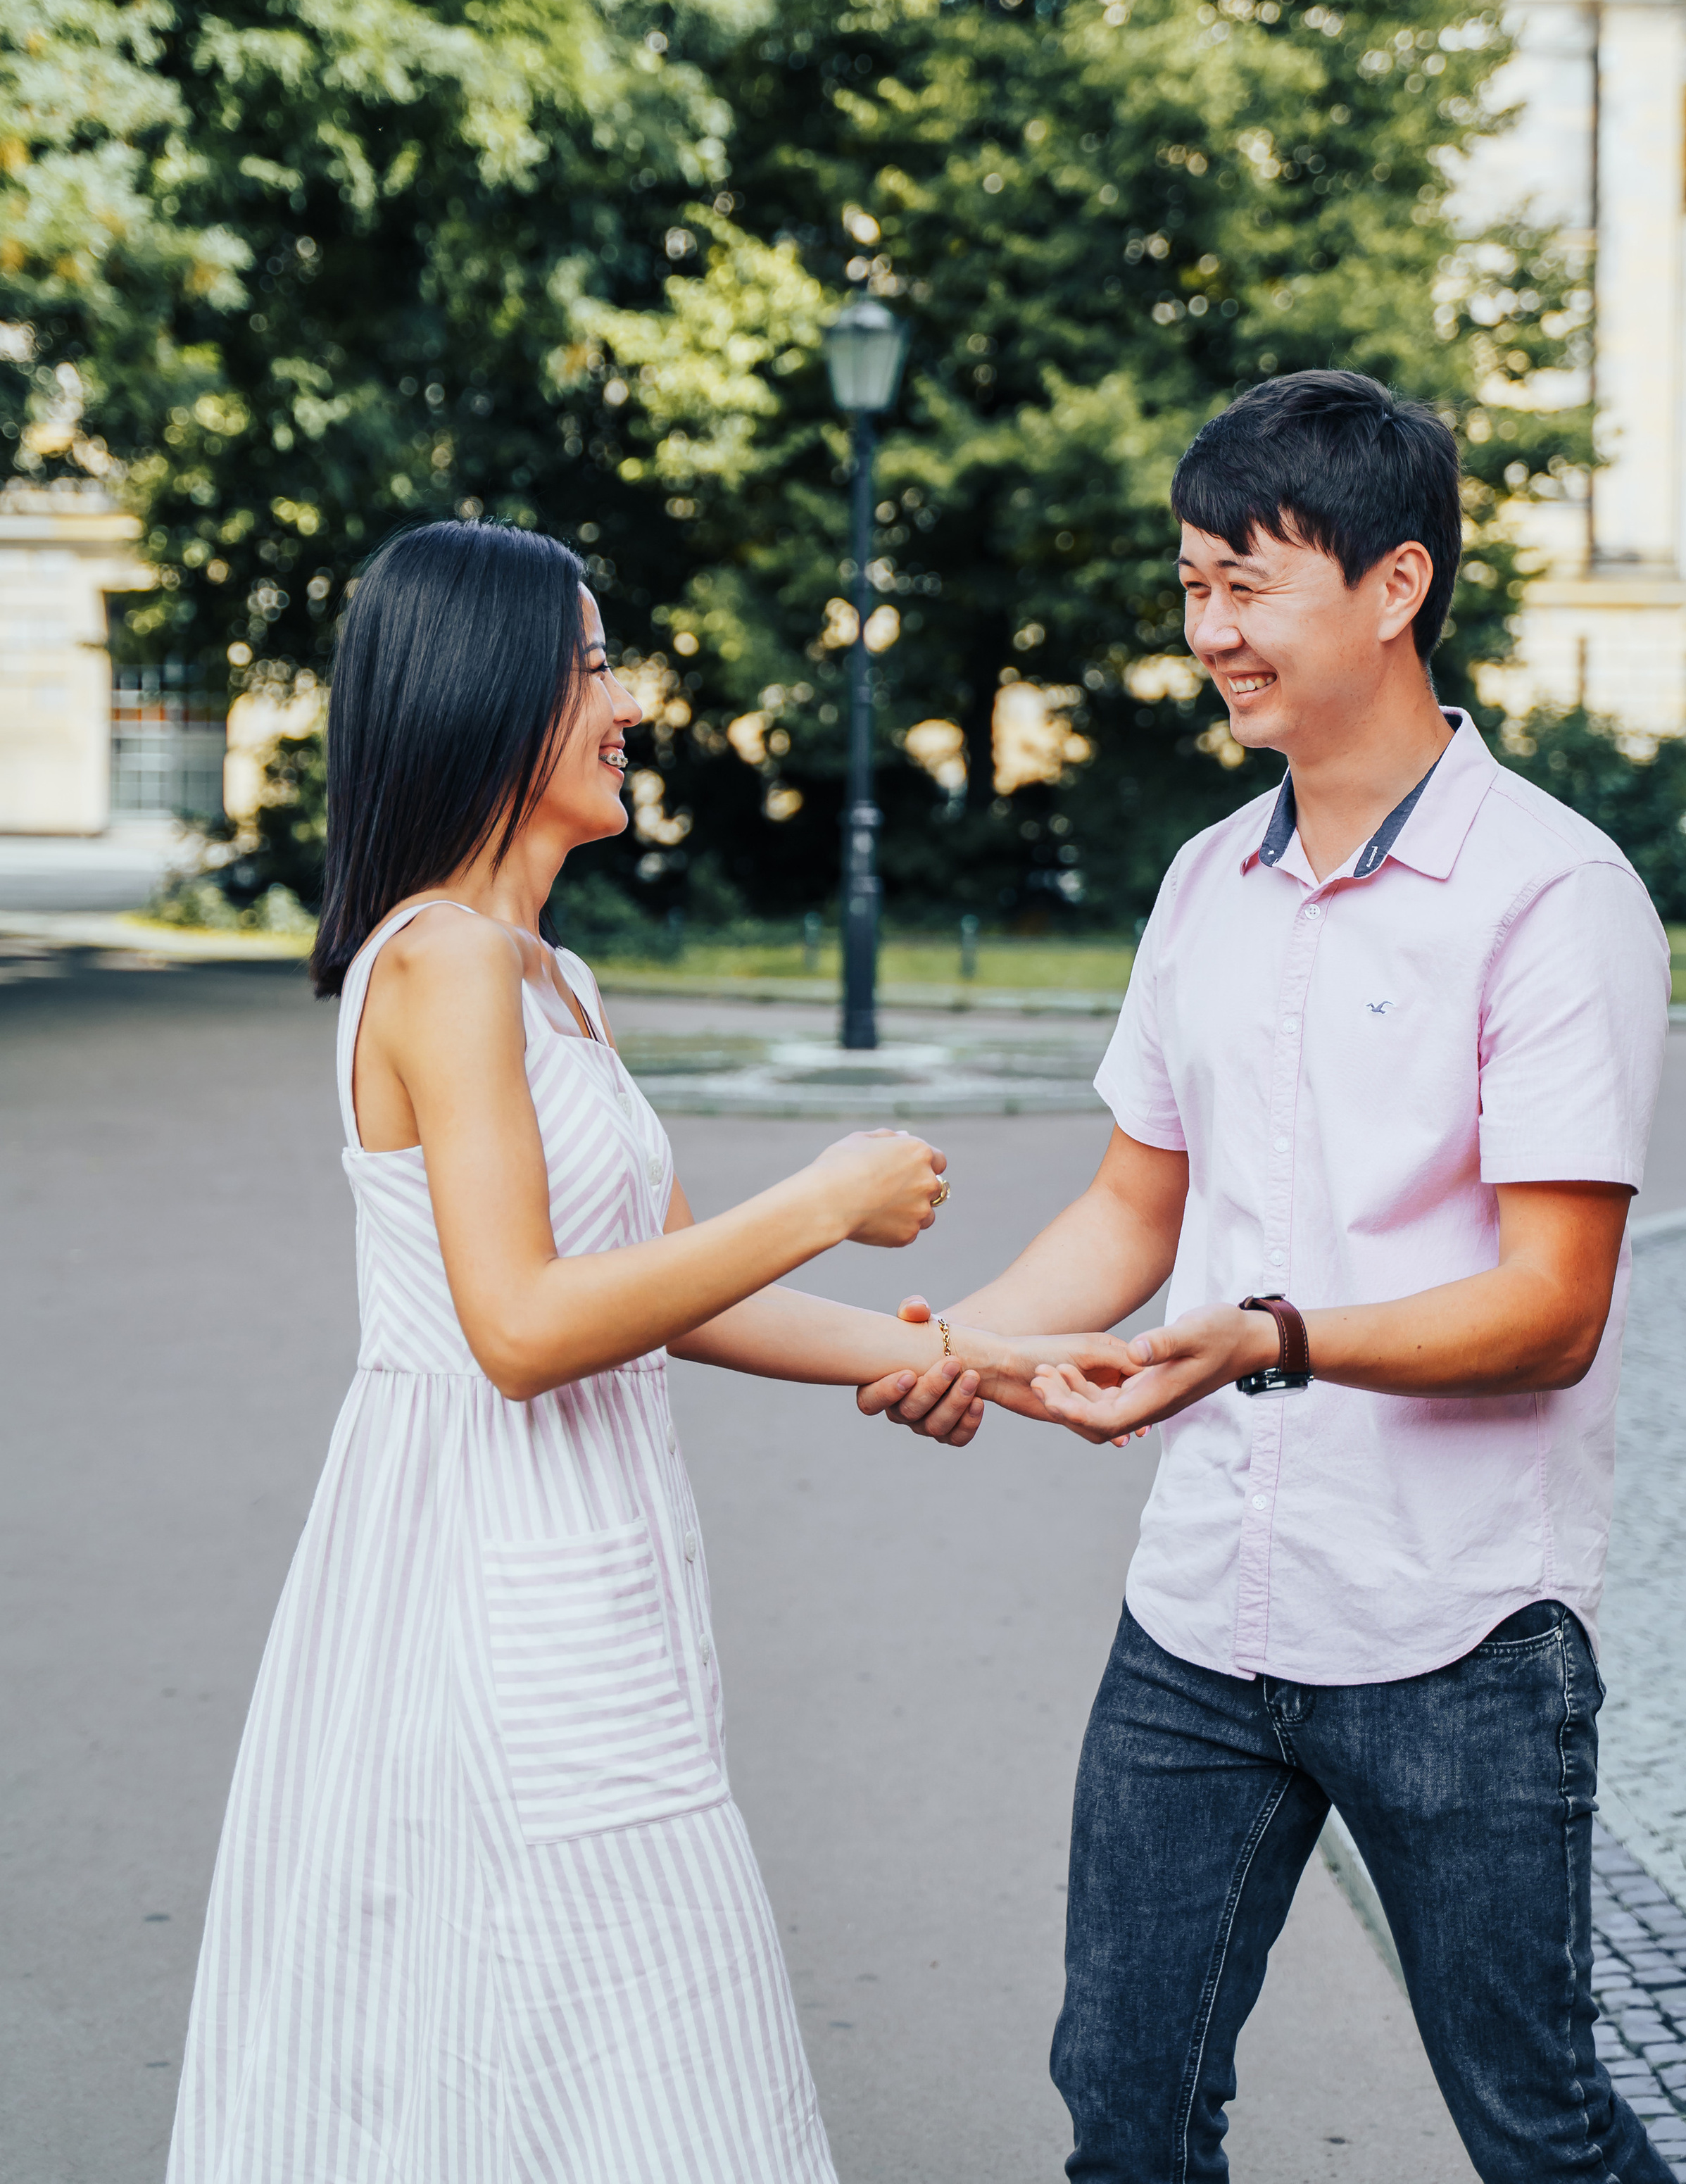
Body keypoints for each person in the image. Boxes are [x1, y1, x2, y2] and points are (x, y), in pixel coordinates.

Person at [168, 517, 1135, 2184]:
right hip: (483, 1565)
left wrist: (986, 1353)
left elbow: (678, 1293)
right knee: (630, 2007)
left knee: (551, 2015)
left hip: (588, 1555)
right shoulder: (441, 966)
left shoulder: (553, 978)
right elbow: (525, 1325)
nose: (630, 701)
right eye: (595, 663)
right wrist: (826, 1194)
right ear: (491, 695)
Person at [859, 370, 1674, 2184]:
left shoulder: (1551, 894)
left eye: (1245, 584)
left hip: (1457, 1630)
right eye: (1188, 586)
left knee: (1533, 2130)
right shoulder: (1204, 883)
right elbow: (1131, 1213)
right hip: (1203, 1614)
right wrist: (958, 1346)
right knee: (1124, 2109)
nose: (1206, 632)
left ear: (1392, 587)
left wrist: (1263, 1344)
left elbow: (1552, 1304)